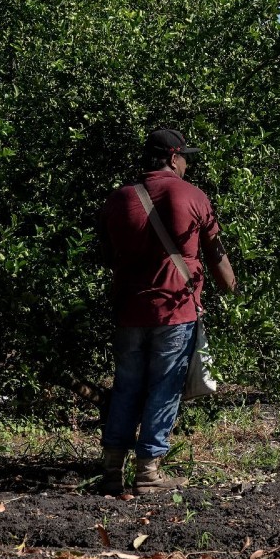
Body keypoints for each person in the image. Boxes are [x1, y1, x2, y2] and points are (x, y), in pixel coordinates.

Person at [97, 128, 237, 496]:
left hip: (129, 310)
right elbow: (216, 252)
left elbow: (107, 255)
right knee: (164, 388)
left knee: (126, 386)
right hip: (176, 309)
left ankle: (112, 471)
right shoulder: (192, 195)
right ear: (174, 158)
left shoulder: (119, 198)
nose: (187, 163)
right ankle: (148, 472)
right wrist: (232, 289)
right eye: (185, 156)